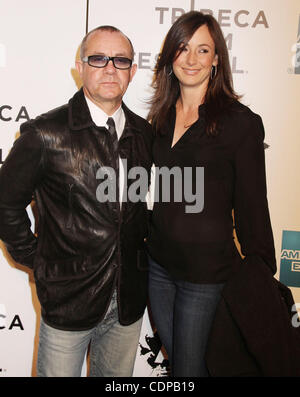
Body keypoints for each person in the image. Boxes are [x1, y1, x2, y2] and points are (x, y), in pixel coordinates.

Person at [0, 25, 153, 377]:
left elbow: (142, 208)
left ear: (132, 70)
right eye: (98, 59)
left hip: (128, 302)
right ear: (80, 67)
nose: (110, 68)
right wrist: (40, 261)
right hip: (68, 300)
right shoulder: (45, 134)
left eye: (121, 60)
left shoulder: (143, 133)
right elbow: (5, 205)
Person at [146, 11, 276, 377]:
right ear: (171, 55)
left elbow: (253, 206)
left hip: (205, 275)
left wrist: (260, 274)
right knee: (184, 365)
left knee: (191, 370)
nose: (192, 60)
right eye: (183, 48)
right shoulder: (160, 118)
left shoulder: (240, 123)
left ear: (217, 58)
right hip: (158, 267)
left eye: (203, 50)